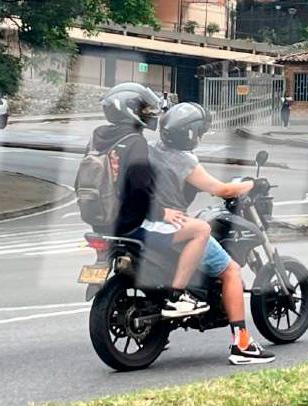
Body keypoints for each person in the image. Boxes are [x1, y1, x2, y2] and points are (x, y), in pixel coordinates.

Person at [149, 102, 276, 365]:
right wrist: (253, 184)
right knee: (231, 271)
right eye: (200, 132)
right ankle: (241, 344)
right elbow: (222, 190)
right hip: (173, 225)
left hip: (147, 223)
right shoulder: (183, 160)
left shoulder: (152, 150)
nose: (201, 136)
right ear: (189, 134)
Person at [97, 82, 212, 318]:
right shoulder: (136, 143)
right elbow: (140, 188)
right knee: (201, 230)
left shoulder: (100, 138)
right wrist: (162, 213)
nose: (148, 114)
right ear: (128, 110)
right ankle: (177, 296)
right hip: (132, 223)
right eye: (143, 109)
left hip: (104, 222)